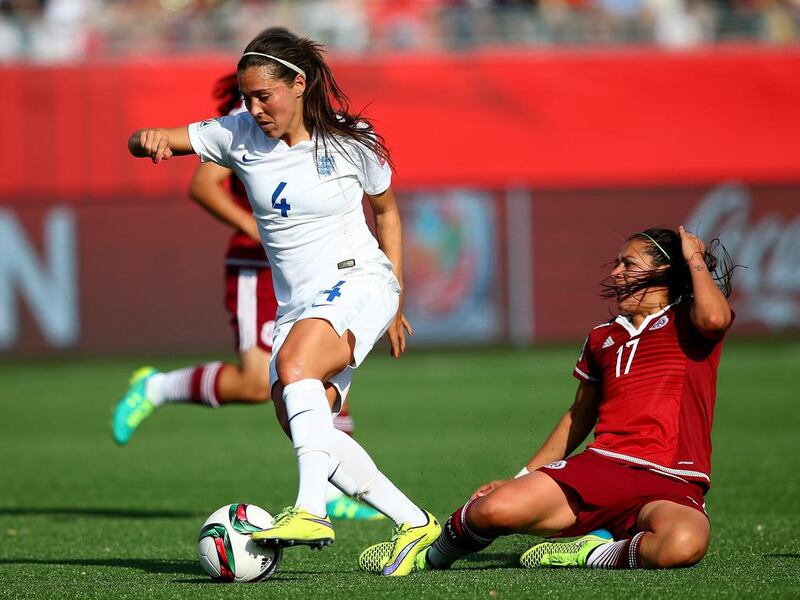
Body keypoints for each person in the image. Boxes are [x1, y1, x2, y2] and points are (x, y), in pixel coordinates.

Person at [126, 27, 440, 577]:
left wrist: (396, 296)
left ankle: (311, 511)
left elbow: (386, 213)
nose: (252, 107)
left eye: (262, 95)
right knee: (304, 421)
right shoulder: (237, 133)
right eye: (245, 96)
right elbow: (145, 139)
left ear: (298, 84)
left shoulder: (353, 139)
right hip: (298, 303)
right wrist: (146, 139)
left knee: (294, 364)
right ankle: (415, 524)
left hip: (361, 280)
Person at [360, 226, 735, 573]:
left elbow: (717, 318)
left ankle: (591, 552)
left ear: (665, 272)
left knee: (683, 544)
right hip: (603, 469)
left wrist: (693, 257)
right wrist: (520, 477)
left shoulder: (690, 321)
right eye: (617, 263)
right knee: (493, 509)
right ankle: (430, 554)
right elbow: (579, 415)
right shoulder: (602, 337)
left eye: (628, 264)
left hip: (672, 480)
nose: (615, 273)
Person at [112, 71, 382, 521]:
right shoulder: (245, 124)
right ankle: (156, 387)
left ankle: (332, 492)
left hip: (311, 268)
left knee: (324, 360)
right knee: (260, 382)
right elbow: (202, 186)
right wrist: (254, 229)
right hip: (256, 268)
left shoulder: (319, 124)